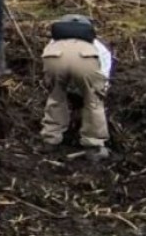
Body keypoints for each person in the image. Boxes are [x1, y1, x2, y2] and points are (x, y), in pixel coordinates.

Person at [39, 14, 114, 160]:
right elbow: (103, 70)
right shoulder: (96, 43)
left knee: (56, 98)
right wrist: (101, 90)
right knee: (93, 102)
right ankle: (94, 146)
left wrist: (53, 85)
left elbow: (46, 58)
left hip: (54, 56)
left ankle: (50, 139)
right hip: (86, 59)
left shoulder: (54, 41)